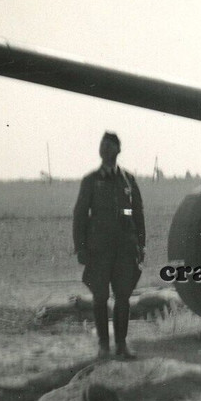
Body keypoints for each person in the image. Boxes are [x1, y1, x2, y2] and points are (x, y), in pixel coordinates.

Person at [73, 131, 146, 360]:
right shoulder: (91, 180)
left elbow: (138, 214)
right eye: (102, 146)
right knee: (100, 297)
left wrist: (141, 245)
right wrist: (81, 248)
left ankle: (121, 345)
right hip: (99, 250)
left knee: (123, 297)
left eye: (109, 146)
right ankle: (104, 346)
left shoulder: (128, 180)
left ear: (118, 150)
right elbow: (80, 215)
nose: (104, 150)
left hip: (125, 250)